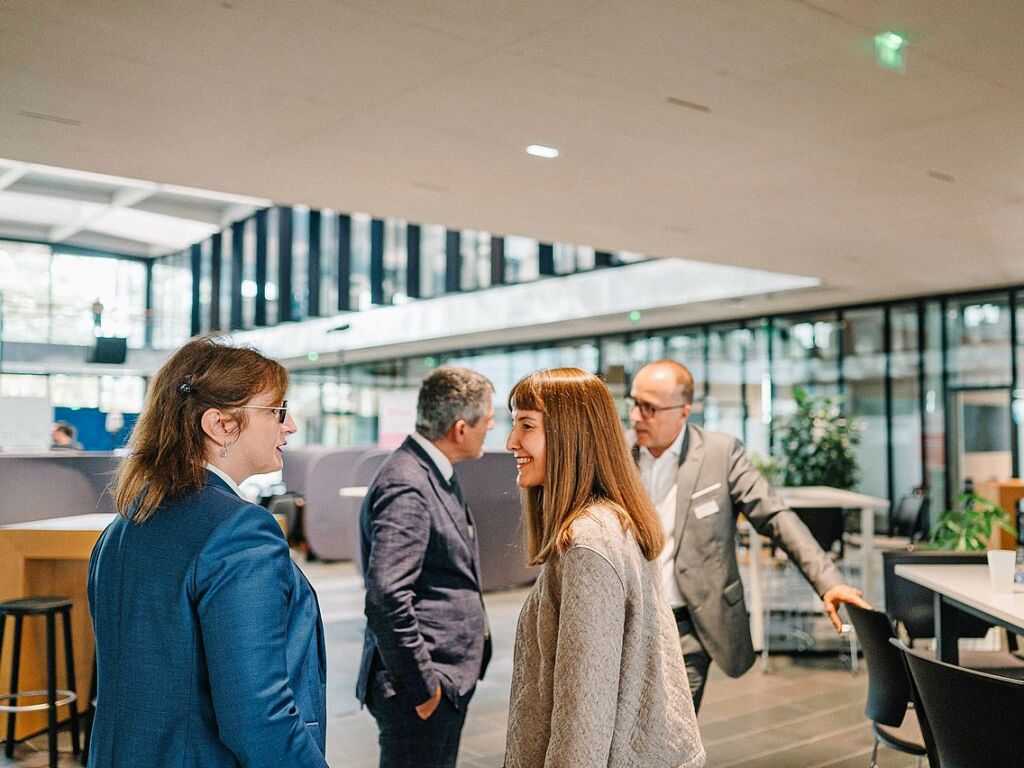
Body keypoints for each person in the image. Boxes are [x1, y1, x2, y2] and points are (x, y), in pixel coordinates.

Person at [87, 335, 328, 768]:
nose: (289, 426)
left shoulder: (124, 527)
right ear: (220, 425)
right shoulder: (240, 530)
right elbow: (259, 719)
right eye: (277, 411)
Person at [630, 359, 870, 712]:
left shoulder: (719, 453)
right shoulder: (617, 454)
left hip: (688, 624)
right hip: (626, 618)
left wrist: (827, 580)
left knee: (671, 730)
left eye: (648, 407)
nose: (636, 416)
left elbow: (774, 515)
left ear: (684, 411)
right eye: (633, 403)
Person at [504, 368, 706, 768]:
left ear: (570, 435)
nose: (512, 442)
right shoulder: (611, 522)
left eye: (526, 425)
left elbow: (583, 716)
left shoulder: (588, 543)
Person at [357, 365, 495, 768]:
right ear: (460, 428)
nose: (491, 425)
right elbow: (386, 596)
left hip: (442, 677)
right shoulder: (408, 483)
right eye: (486, 417)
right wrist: (424, 687)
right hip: (422, 686)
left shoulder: (431, 471)